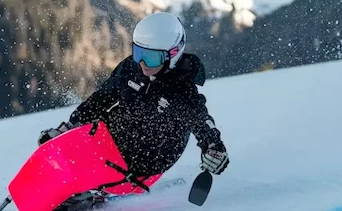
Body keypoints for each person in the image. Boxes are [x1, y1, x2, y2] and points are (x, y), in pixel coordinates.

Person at [38, 11, 230, 187]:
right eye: (139, 53)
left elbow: (202, 123)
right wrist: (67, 129)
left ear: (172, 55)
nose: (143, 64)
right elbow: (101, 99)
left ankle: (78, 188)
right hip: (114, 139)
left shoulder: (181, 93)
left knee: (85, 165)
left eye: (152, 58)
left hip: (146, 162)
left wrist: (214, 148)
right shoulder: (131, 68)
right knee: (78, 146)